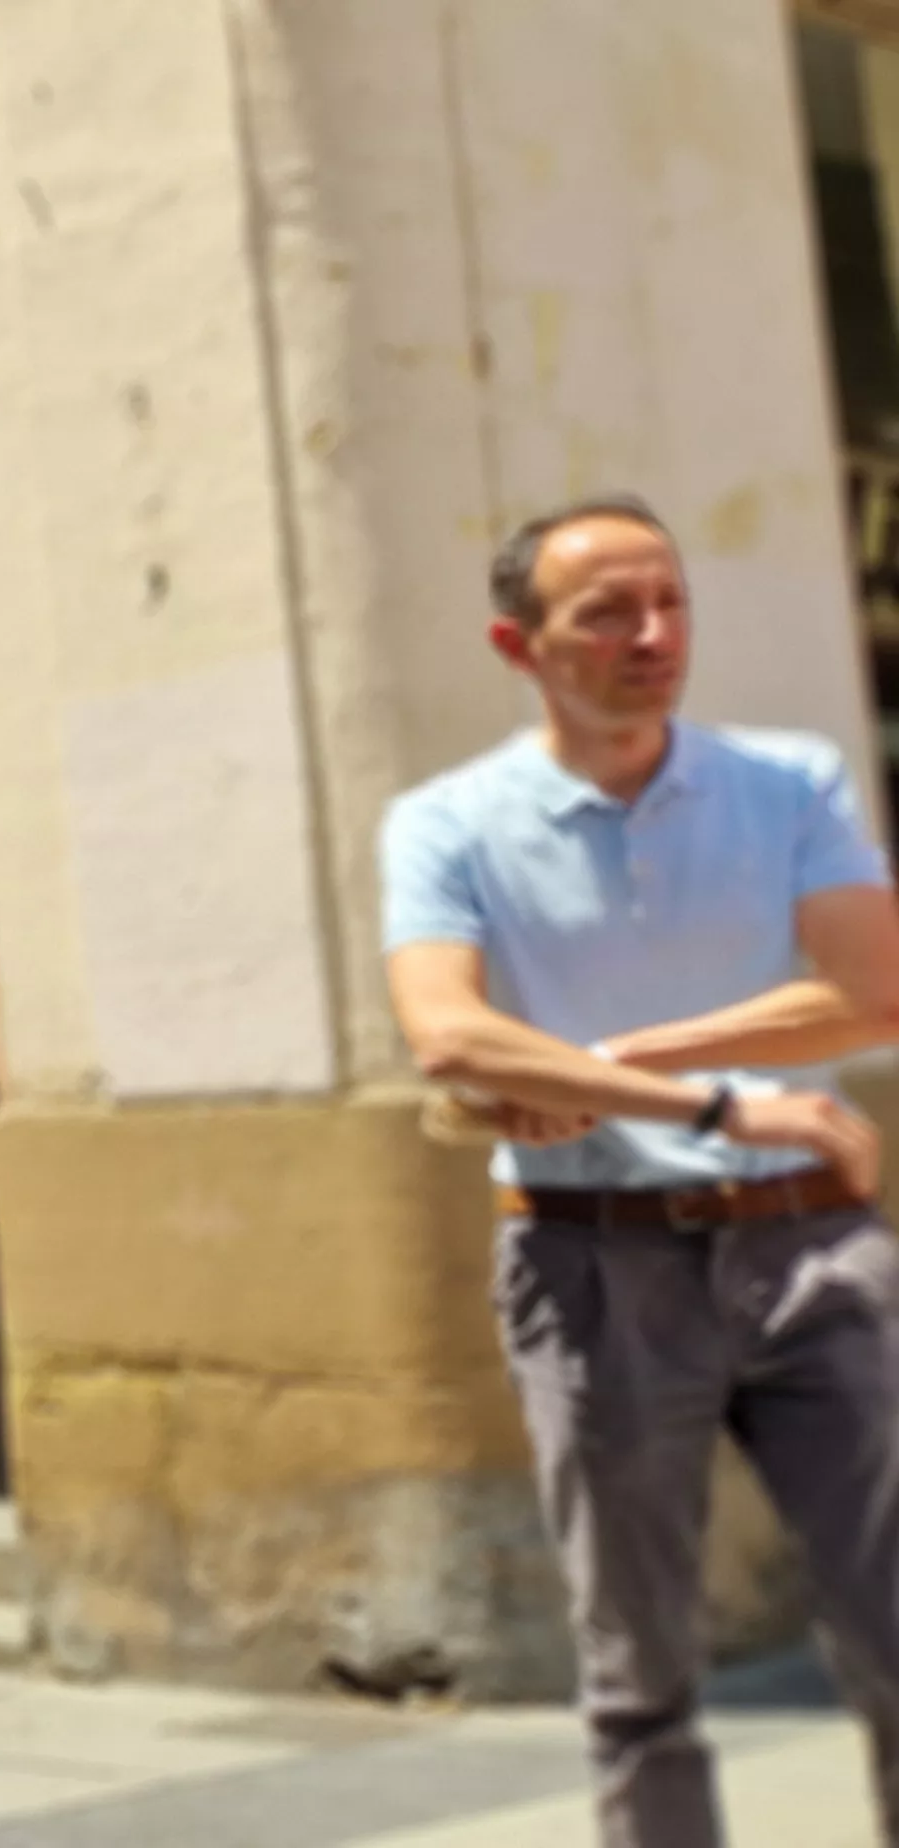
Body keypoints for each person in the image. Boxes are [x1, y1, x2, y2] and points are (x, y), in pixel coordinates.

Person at [382, 494, 899, 1848]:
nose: (653, 633)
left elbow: (870, 994)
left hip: (813, 1249)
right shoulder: (443, 823)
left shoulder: (791, 781)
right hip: (589, 1261)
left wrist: (608, 1063)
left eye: (669, 600)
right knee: (641, 1677)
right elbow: (448, 1034)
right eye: (607, 610)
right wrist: (723, 1104)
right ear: (519, 642)